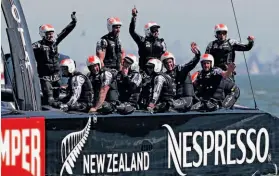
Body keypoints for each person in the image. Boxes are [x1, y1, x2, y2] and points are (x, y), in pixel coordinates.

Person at [32, 12, 77, 105]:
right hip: (45, 78)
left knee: (58, 97)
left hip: (57, 76)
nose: (51, 35)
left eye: (52, 33)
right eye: (48, 34)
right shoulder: (37, 45)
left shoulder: (55, 42)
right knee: (49, 99)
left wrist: (73, 22)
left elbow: (65, 32)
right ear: (43, 34)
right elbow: (25, 49)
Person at [161, 42, 201, 112]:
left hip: (187, 100)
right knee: (162, 105)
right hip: (177, 100)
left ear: (173, 61)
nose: (169, 64)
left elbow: (191, 65)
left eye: (170, 62)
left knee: (169, 105)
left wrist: (197, 55)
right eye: (166, 63)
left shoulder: (180, 69)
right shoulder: (165, 75)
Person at [129, 7, 167, 71]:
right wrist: (134, 17)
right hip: (144, 71)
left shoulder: (161, 42)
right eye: (154, 30)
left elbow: (165, 56)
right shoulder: (142, 41)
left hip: (158, 71)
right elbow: (132, 31)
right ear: (148, 30)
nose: (156, 32)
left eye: (157, 30)